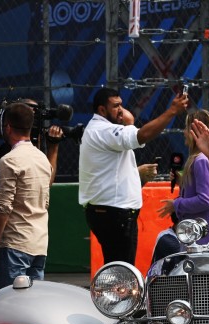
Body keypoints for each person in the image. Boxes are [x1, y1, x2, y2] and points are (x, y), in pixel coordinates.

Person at [79, 87, 188, 265]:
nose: (121, 110)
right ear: (101, 110)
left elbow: (110, 169)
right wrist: (172, 111)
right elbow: (142, 135)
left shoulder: (101, 129)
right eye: (115, 106)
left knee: (117, 267)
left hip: (107, 212)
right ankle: (121, 294)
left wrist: (134, 171)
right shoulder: (103, 130)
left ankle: (117, 292)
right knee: (123, 271)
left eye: (122, 104)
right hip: (114, 214)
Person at [0, 102, 53, 288]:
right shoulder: (42, 159)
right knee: (34, 307)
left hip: (15, 244)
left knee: (10, 307)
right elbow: (45, 200)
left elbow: (4, 208)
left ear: (7, 127)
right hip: (39, 244)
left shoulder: (9, 160)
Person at [156, 109, 209, 245]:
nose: (184, 132)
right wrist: (182, 180)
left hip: (203, 239)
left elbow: (206, 199)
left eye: (186, 128)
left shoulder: (202, 160)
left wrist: (176, 204)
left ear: (195, 132)